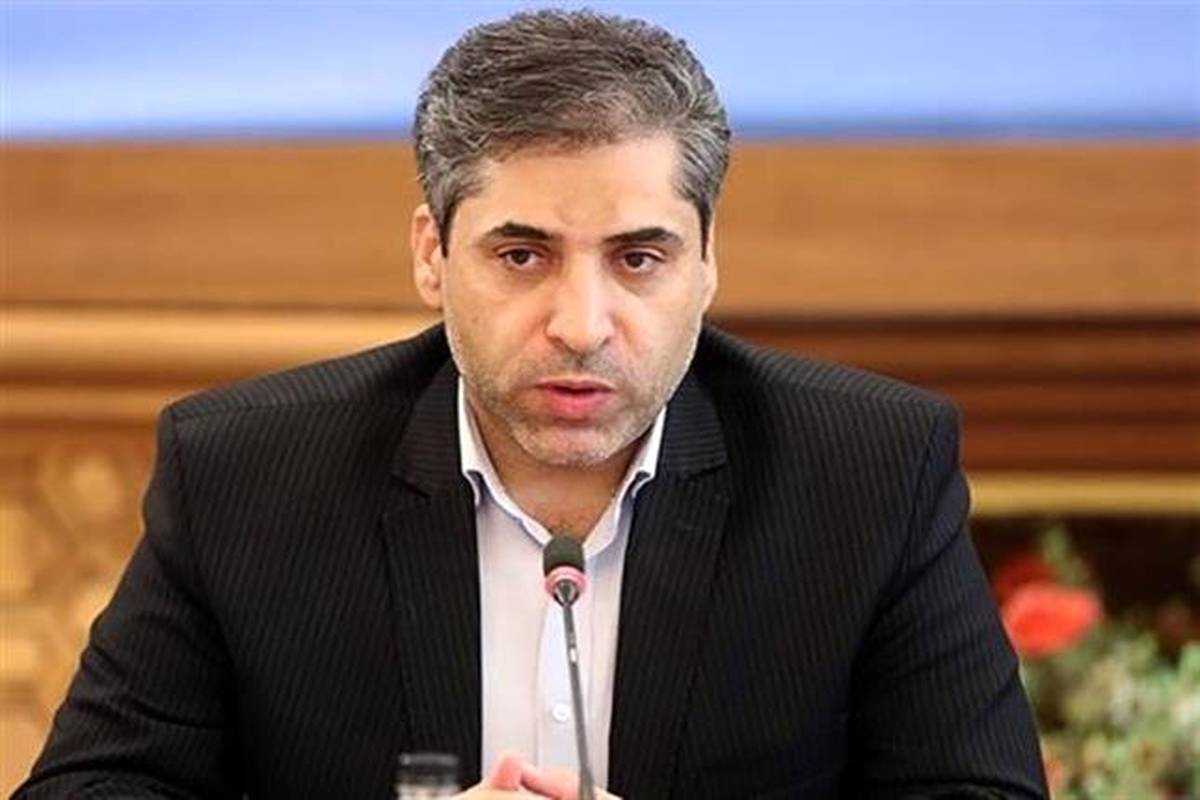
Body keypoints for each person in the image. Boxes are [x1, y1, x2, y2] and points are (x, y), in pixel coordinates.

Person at [17, 9, 1047, 799]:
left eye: (638, 258)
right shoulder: (243, 474)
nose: (582, 324)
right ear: (432, 253)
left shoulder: (870, 470)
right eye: (522, 255)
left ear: (707, 262)